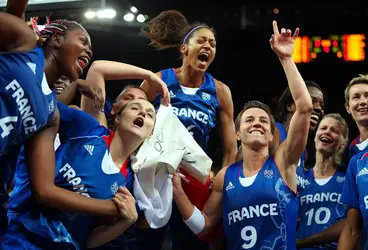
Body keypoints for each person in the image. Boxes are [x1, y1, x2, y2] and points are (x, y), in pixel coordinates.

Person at [173, 21, 312, 250]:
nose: (256, 123)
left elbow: (304, 108)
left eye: (263, 121)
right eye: (249, 120)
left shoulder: (284, 163)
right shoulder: (225, 176)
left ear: (270, 135)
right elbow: (205, 225)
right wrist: (178, 192)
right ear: (237, 133)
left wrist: (286, 59)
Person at [140, 9, 237, 249]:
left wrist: (220, 185)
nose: (208, 46)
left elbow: (230, 149)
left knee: (189, 244)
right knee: (146, 241)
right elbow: (132, 119)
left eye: (213, 44)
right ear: (184, 48)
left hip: (193, 180)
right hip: (154, 175)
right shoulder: (159, 80)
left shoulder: (220, 91)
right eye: (201, 41)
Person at [2, 99, 156, 249]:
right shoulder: (88, 129)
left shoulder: (127, 183)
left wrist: (126, 221)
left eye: (150, 115)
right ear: (117, 119)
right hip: (24, 233)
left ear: (151, 134)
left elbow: (89, 240)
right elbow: (43, 104)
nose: (142, 112)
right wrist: (75, 85)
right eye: (135, 108)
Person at [296, 114, 349, 249]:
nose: (327, 132)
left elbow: (352, 224)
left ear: (343, 143)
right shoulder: (298, 178)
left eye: (334, 131)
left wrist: (303, 242)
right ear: (314, 138)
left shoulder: (348, 179)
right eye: (323, 128)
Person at [337, 75, 368, 250]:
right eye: (356, 97)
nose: (363, 101)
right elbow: (353, 227)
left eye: (367, 95)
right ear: (348, 108)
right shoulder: (353, 156)